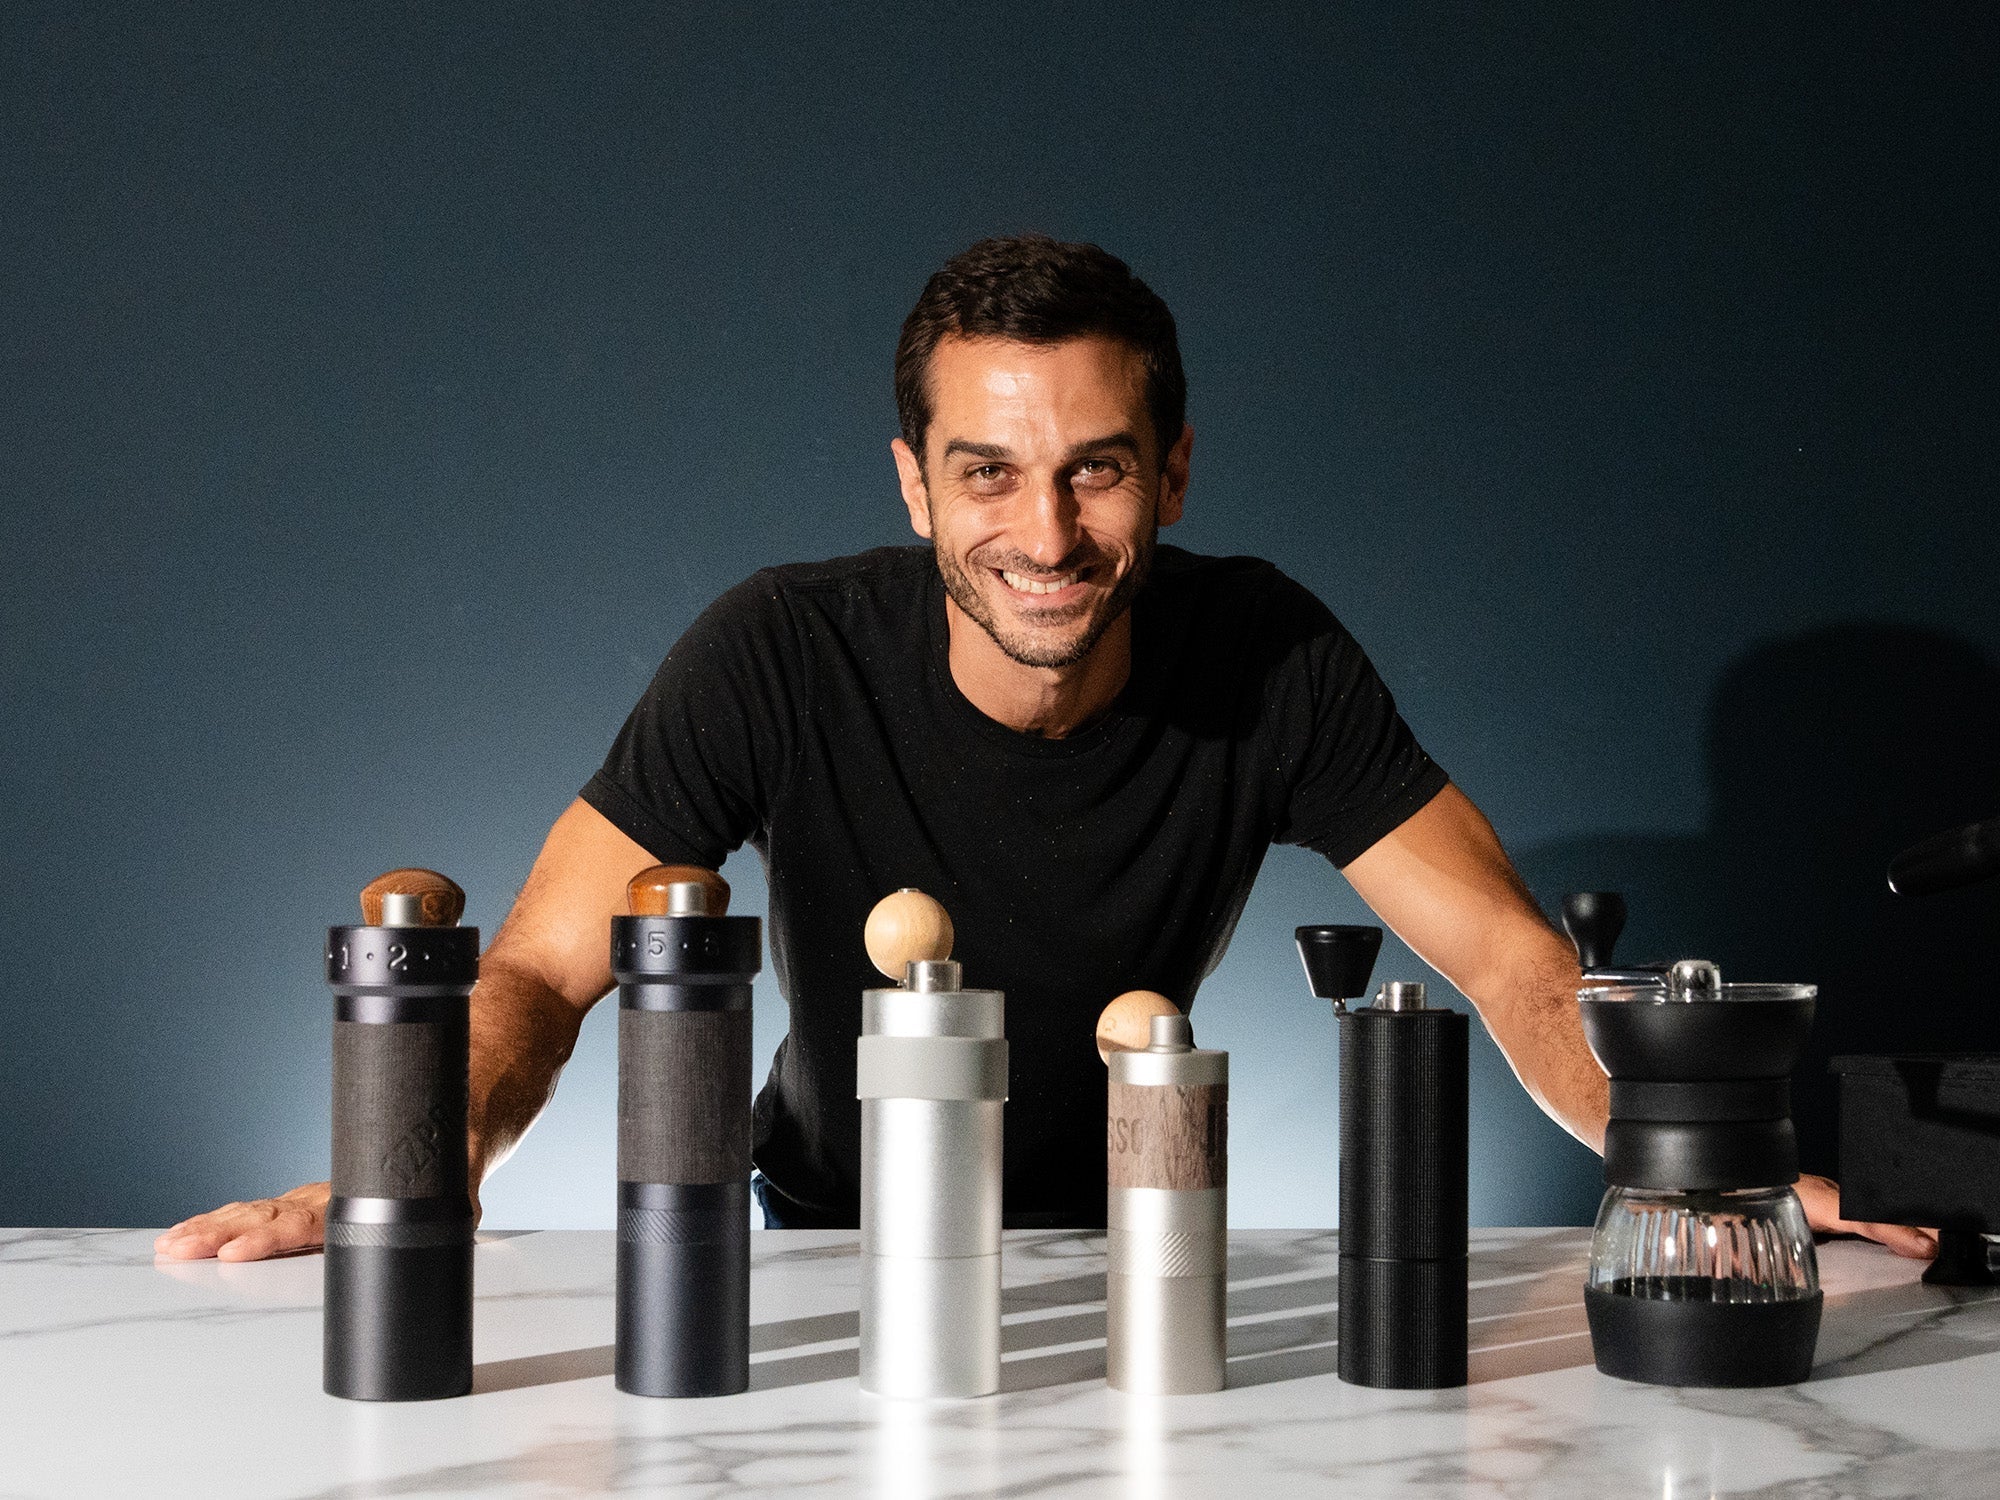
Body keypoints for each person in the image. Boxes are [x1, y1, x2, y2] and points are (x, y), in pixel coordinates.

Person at [157, 235, 1933, 1260]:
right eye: (990, 473)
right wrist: (414, 1170)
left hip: (1138, 1247)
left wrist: (1714, 1179)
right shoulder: (778, 648)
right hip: (825, 1242)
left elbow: (1512, 962)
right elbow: (545, 969)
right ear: (916, 483)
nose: (1050, 534)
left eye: (1096, 467)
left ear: (1171, 472)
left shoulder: (1272, 655)